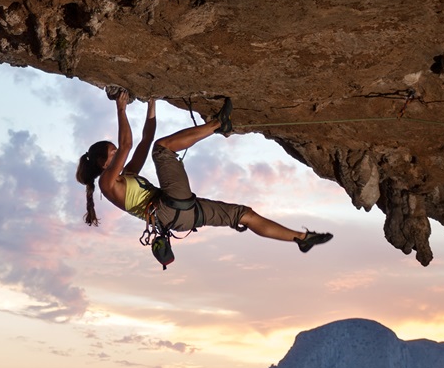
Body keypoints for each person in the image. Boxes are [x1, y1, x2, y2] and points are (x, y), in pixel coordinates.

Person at [74, 90, 333, 255]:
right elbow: (130, 144)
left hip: (181, 217)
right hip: (168, 208)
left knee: (245, 215)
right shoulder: (108, 186)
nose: (119, 152)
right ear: (101, 163)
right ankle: (220, 123)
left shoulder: (125, 176)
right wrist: (121, 108)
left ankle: (301, 238)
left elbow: (144, 139)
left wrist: (152, 102)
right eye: (112, 152)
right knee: (162, 150)